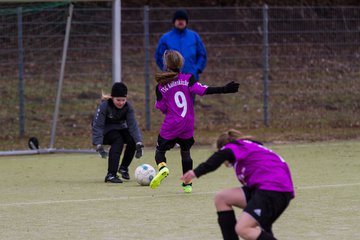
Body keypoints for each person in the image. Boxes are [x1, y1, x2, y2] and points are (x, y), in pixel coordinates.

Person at [149, 50, 239, 193]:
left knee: (160, 150)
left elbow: (161, 107)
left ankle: (163, 167)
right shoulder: (188, 78)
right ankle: (187, 184)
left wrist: (168, 110)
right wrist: (225, 89)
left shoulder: (161, 85)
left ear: (166, 64)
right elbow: (204, 90)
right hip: (188, 123)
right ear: (181, 63)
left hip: (171, 123)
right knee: (186, 152)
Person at [181, 129, 295, 240]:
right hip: (270, 189)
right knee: (222, 198)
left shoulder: (235, 147)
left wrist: (195, 172)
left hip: (273, 190)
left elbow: (221, 155)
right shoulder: (250, 149)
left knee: (243, 229)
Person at [92, 82, 144, 183]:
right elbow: (97, 126)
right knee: (118, 140)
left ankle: (124, 168)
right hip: (105, 132)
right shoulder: (104, 106)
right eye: (118, 100)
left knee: (132, 139)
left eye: (123, 100)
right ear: (112, 98)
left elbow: (133, 126)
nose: (121, 103)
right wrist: (98, 144)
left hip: (119, 129)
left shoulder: (128, 107)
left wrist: (139, 142)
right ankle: (111, 175)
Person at [155, 9, 207, 83]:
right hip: (171, 79)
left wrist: (197, 69)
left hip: (190, 78)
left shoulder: (194, 36)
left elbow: (202, 55)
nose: (180, 21)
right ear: (174, 21)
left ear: (186, 21)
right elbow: (159, 56)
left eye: (183, 19)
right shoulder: (166, 38)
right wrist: (166, 70)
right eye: (178, 19)